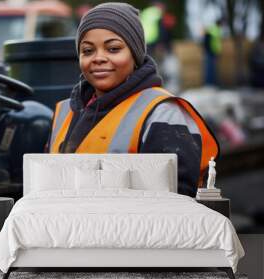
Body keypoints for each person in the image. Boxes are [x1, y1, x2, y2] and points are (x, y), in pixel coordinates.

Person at [47, 2, 219, 197]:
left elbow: (174, 207)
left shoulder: (164, 114)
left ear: (135, 54)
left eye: (113, 49)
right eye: (87, 51)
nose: (98, 58)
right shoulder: (63, 112)